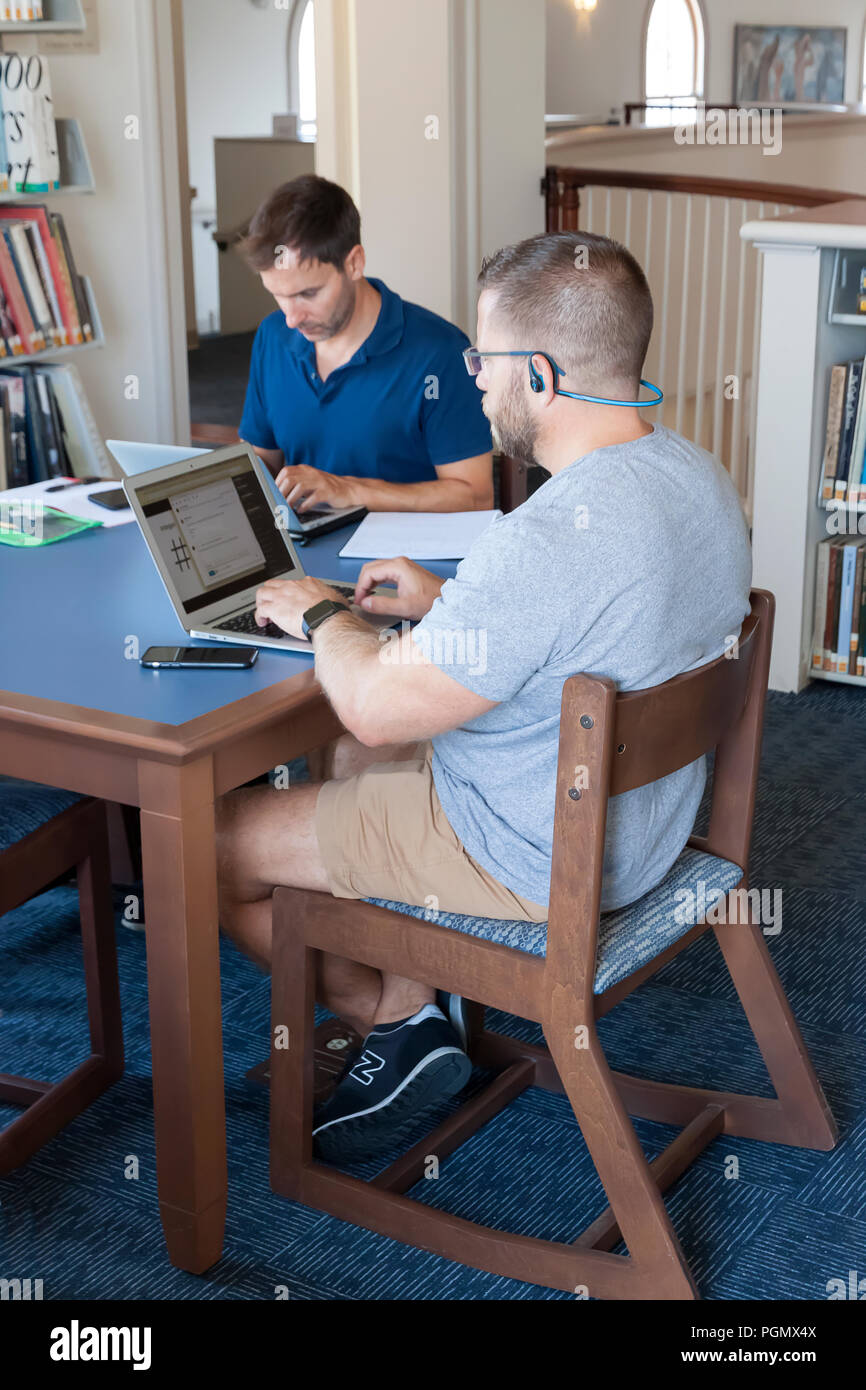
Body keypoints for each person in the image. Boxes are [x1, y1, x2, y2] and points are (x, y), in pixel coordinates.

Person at [217, 230, 752, 1163]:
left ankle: (396, 1016)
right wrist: (444, 602)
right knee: (348, 764)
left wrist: (317, 616)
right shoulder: (695, 474)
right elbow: (591, 615)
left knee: (214, 840)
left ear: (538, 376)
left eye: (482, 359)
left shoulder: (541, 541)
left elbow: (376, 703)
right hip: (646, 825)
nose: (470, 381)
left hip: (535, 857)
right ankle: (414, 994)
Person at [238, 174, 494, 515]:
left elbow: (475, 497)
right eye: (278, 296)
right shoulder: (272, 337)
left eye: (308, 294)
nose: (292, 318)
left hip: (404, 558)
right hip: (303, 551)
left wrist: (348, 490)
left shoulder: (439, 352)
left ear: (354, 263)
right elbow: (261, 462)